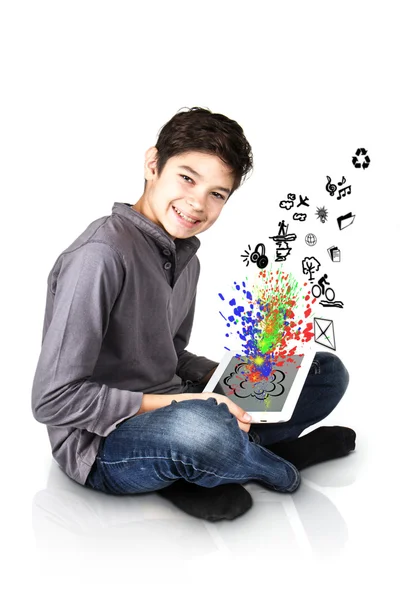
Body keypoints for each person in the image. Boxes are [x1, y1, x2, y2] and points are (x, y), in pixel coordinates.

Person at [31, 106, 355, 523]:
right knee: (200, 431)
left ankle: (214, 464)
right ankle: (269, 463)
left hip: (179, 403)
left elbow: (170, 353)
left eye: (217, 194)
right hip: (104, 443)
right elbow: (52, 400)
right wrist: (193, 402)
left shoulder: (186, 258)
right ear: (153, 165)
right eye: (187, 177)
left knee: (325, 372)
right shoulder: (100, 256)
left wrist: (229, 375)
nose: (197, 203)